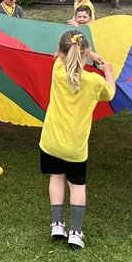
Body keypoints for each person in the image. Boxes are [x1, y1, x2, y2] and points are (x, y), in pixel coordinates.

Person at [39, 31, 116, 249]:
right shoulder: (94, 81)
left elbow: (67, 56)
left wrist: (88, 54)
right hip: (75, 148)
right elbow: (110, 93)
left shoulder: (57, 70)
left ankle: (57, 224)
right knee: (77, 186)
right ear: (86, 50)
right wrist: (107, 70)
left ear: (60, 53)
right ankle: (76, 232)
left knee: (56, 178)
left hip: (51, 142)